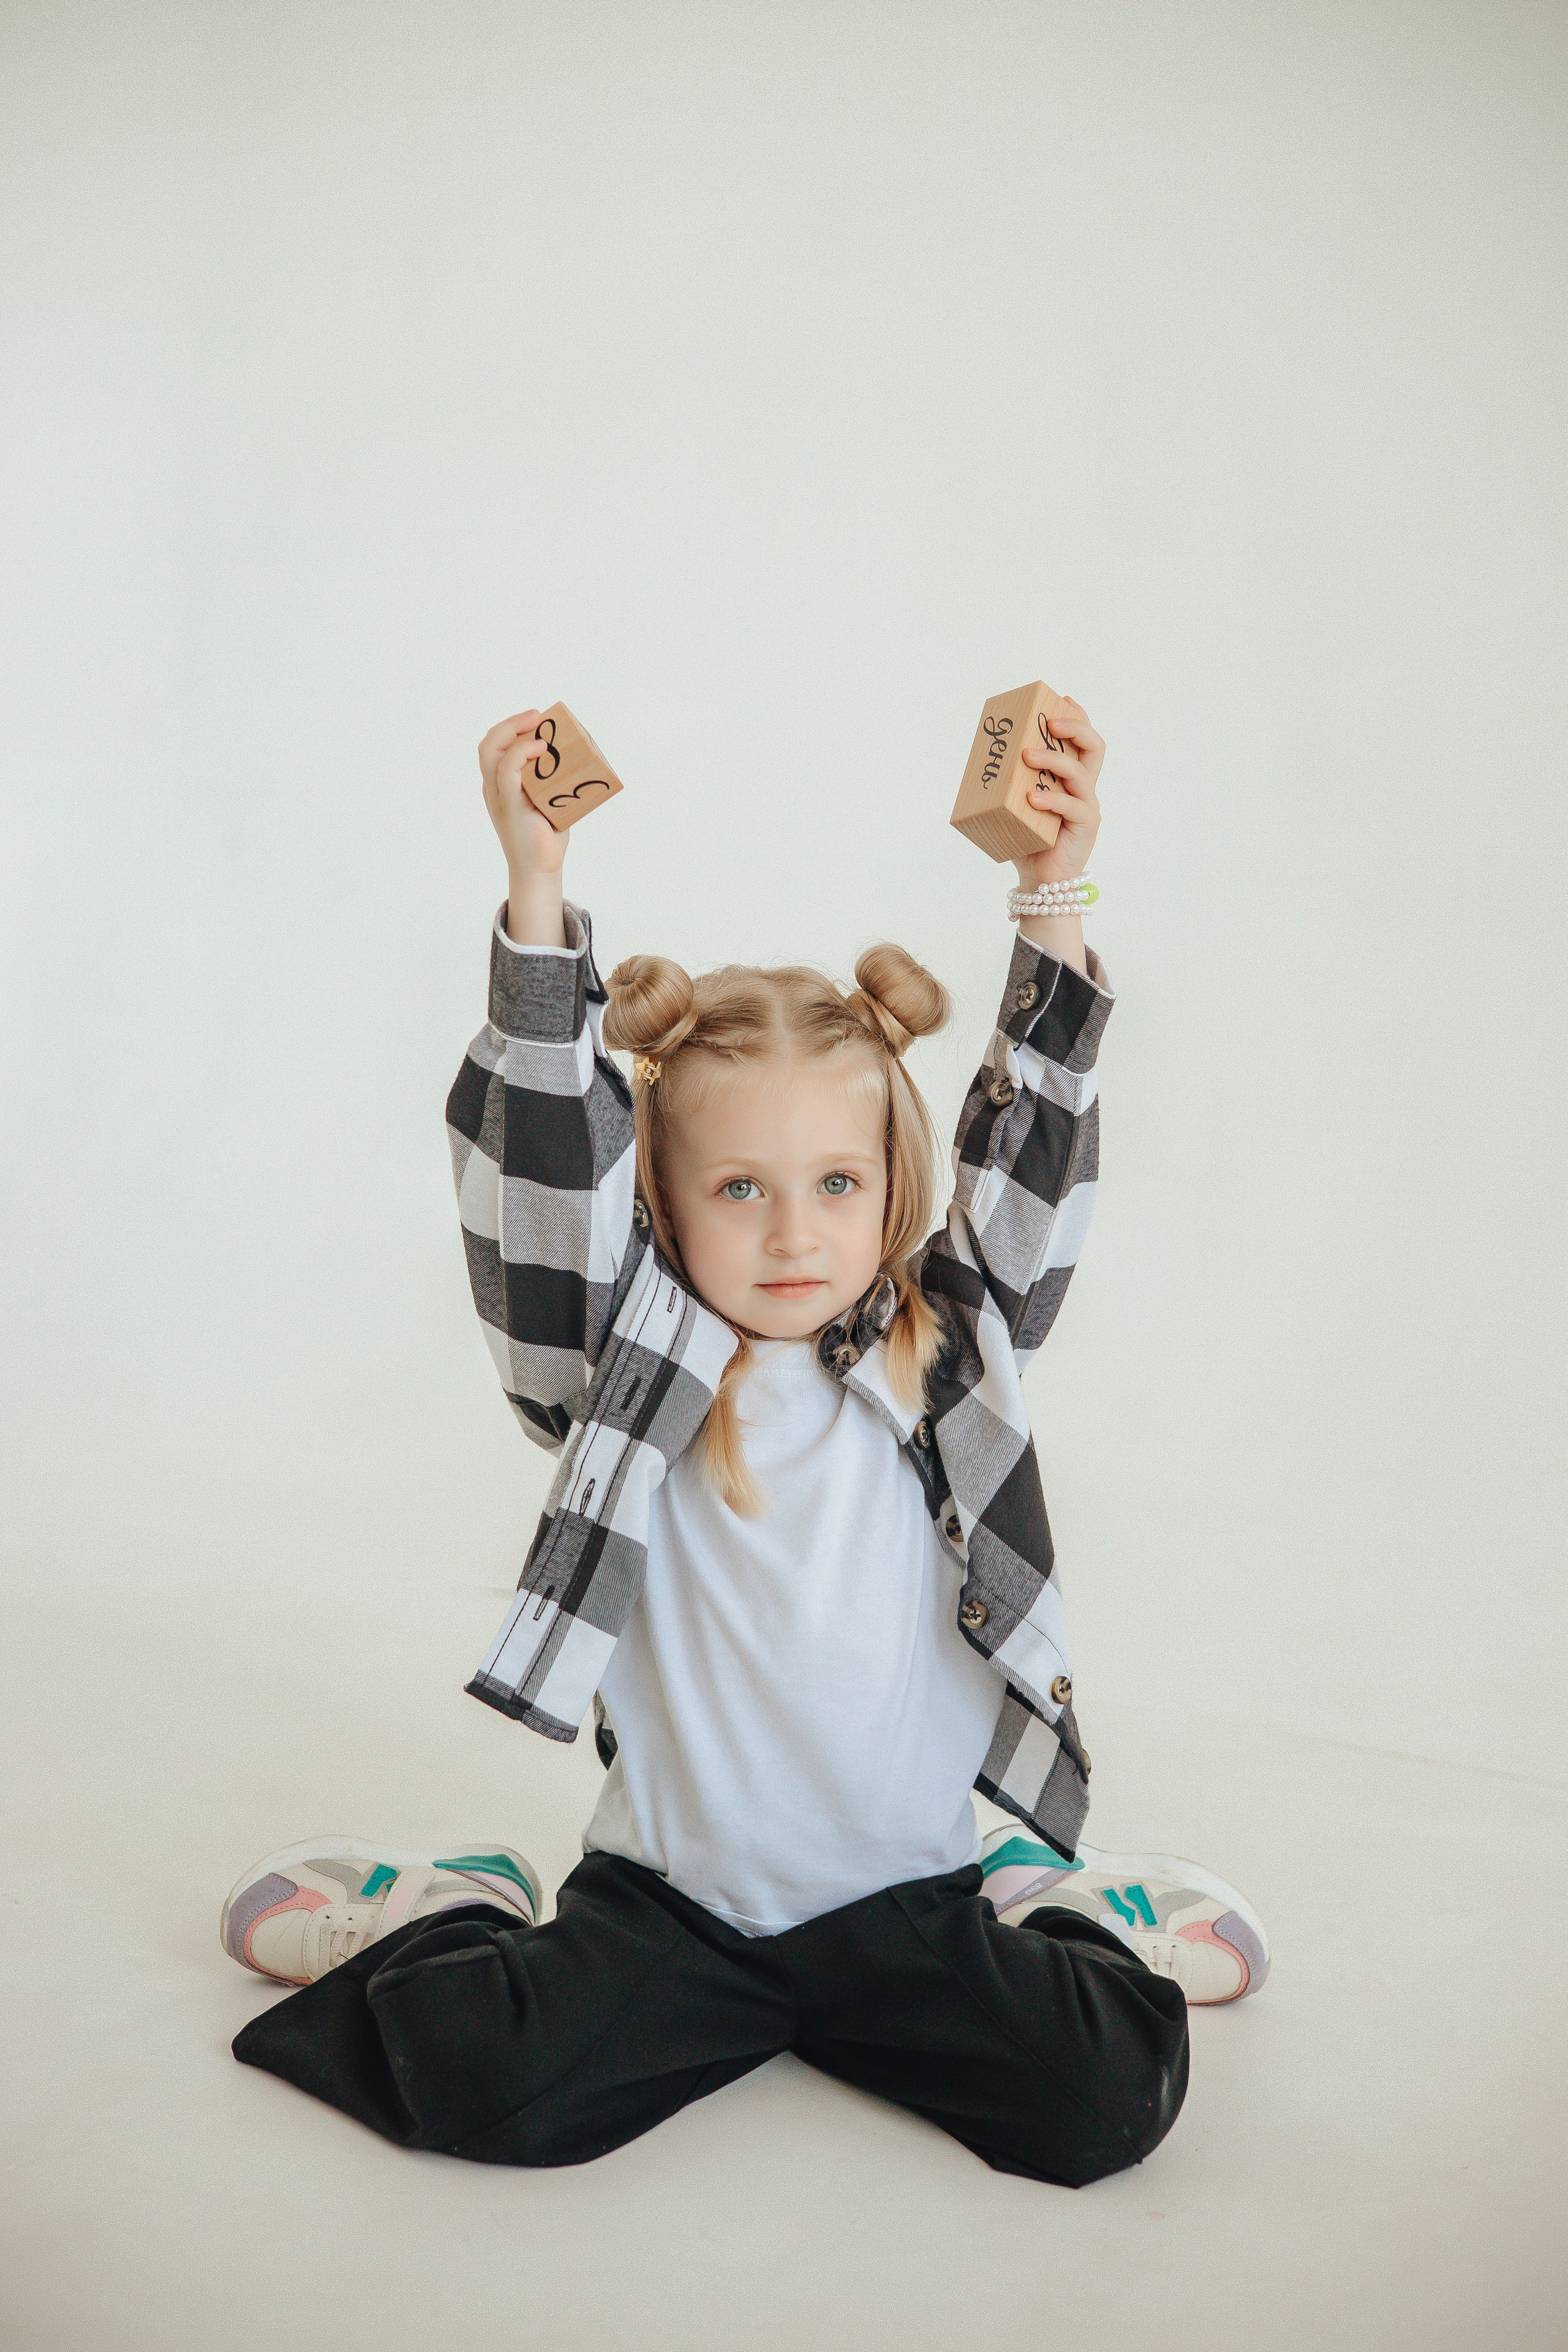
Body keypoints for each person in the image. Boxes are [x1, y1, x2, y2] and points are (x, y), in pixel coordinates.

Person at [223, 696, 1268, 2186]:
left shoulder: (945, 1349)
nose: (794, 1234)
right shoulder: (625, 1359)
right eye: (737, 1191)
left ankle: (1059, 1905)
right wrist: (535, 891)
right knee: (485, 2091)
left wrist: (1050, 888)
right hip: (678, 1908)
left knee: (1100, 2107)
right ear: (662, 1194)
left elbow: (1030, 1149)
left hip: (902, 1899)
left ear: (891, 1178)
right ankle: (452, 1905)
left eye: (838, 1182)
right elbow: (544, 1172)